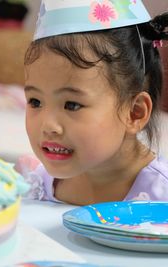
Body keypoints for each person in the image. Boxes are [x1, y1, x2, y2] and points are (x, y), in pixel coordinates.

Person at [17, 0, 168, 205]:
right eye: (35, 101)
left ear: (135, 112)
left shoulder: (161, 198)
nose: (48, 126)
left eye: (72, 105)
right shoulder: (35, 184)